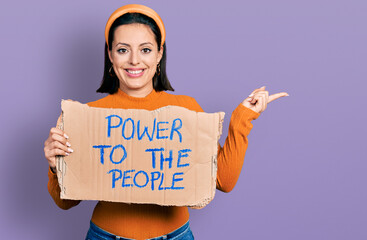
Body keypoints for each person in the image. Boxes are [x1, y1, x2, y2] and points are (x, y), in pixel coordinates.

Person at [44, 4, 289, 240]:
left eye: (145, 49)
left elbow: (224, 181)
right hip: (105, 236)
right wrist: (57, 167)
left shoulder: (186, 110)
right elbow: (66, 202)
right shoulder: (87, 117)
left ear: (160, 53)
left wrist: (241, 119)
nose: (134, 60)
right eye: (122, 50)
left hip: (175, 236)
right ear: (110, 54)